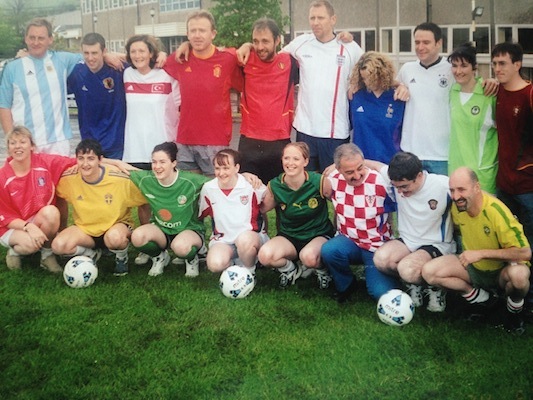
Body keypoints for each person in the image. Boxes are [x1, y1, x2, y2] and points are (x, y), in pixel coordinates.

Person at [423, 167, 531, 334]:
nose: (456, 196)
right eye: (452, 190)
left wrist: (481, 253)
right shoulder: (457, 208)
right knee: (430, 272)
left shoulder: (496, 211)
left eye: (461, 189)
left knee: (520, 276)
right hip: (473, 269)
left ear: (477, 187)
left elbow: (525, 252)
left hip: (501, 272)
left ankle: (514, 314)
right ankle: (485, 301)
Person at [367, 152, 456, 312]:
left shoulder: (443, 185)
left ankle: (436, 287)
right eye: (396, 187)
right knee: (381, 259)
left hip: (436, 244)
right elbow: (374, 164)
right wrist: (334, 165)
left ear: (419, 176)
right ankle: (414, 284)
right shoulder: (395, 178)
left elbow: (471, 193)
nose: (400, 192)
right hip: (408, 240)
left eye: (404, 186)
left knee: (407, 270)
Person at [163, 10, 243, 176]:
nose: (197, 35)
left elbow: (250, 61)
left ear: (213, 33)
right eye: (193, 31)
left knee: (213, 195)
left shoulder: (228, 59)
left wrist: (248, 46)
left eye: (202, 30)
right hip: (185, 141)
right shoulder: (179, 59)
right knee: (188, 194)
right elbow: (147, 61)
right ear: (187, 34)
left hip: (215, 142)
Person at [51, 139, 147, 276]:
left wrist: (145, 232)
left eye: (90, 159)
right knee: (58, 245)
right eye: (81, 159)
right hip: (85, 231)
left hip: (115, 227)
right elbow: (57, 195)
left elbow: (145, 196)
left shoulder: (119, 178)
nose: (85, 164)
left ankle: (121, 258)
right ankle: (92, 254)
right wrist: (61, 228)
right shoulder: (69, 178)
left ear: (100, 160)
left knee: (115, 238)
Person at [321, 144, 399, 303]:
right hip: (349, 241)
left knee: (381, 295)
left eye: (360, 168)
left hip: (376, 246)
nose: (357, 176)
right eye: (349, 172)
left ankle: (387, 276)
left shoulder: (381, 181)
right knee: (329, 250)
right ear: (338, 169)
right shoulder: (332, 180)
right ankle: (346, 285)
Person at [491, 42, 533, 316]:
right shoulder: (496, 93)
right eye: (494, 64)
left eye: (503, 63)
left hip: (528, 185)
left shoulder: (529, 93)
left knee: (529, 244)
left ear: (517, 64)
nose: (497, 69)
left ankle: (527, 301)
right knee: (506, 243)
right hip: (503, 184)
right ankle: (505, 294)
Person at [258, 142, 335, 289]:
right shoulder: (275, 185)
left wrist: (338, 229)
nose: (290, 163)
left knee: (309, 257)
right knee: (265, 256)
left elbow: (341, 204)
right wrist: (246, 178)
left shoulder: (319, 181)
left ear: (305, 161)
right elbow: (259, 209)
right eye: (286, 158)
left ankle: (323, 271)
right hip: (289, 236)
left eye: (296, 159)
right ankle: (291, 270)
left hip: (317, 234)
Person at [0, 126, 76, 272]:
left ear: (32, 146)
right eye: (13, 143)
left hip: (36, 219)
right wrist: (28, 227)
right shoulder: (3, 177)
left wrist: (115, 163)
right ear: (8, 149)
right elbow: (6, 217)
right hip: (10, 226)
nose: (18, 147)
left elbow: (78, 161)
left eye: (22, 142)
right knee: (30, 245)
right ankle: (15, 251)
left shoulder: (44, 163)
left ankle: (47, 256)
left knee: (51, 212)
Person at [128, 142, 208, 277]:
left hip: (189, 230)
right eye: (154, 162)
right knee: (137, 236)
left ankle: (192, 258)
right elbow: (122, 167)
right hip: (162, 231)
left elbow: (220, 181)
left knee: (181, 247)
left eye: (162, 162)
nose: (157, 167)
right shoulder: (147, 178)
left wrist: (245, 176)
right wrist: (101, 160)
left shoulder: (191, 181)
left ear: (174, 163)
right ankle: (160, 257)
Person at [238, 18, 299, 184]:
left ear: (277, 40)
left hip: (279, 142)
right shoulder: (244, 60)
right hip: (249, 141)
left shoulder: (290, 62)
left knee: (280, 197)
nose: (259, 47)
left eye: (265, 41)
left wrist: (339, 38)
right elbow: (214, 52)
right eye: (255, 41)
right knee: (249, 198)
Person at [199, 149, 268, 275]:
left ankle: (249, 272)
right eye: (217, 168)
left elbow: (267, 205)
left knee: (244, 241)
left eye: (226, 168)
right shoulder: (209, 188)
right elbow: (202, 214)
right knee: (215, 265)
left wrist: (264, 231)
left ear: (237, 168)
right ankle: (235, 264)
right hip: (224, 240)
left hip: (249, 238)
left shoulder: (251, 185)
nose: (221, 173)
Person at [122, 34, 180, 170]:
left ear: (151, 53)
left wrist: (164, 55)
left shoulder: (167, 74)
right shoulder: (127, 73)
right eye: (133, 52)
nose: (137, 56)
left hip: (161, 150)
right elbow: (106, 56)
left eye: (142, 51)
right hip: (134, 152)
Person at [447, 43, 498, 193]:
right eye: (454, 66)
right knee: (459, 215)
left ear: (474, 67)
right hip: (456, 171)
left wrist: (495, 81)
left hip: (481, 174)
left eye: (464, 66)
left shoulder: (489, 94)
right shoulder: (452, 92)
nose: (458, 71)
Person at [67, 33, 126, 159]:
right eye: (86, 53)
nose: (90, 58)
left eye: (94, 53)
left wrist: (161, 55)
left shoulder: (117, 68)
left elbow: (143, 60)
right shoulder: (77, 72)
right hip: (89, 146)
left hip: (115, 144)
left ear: (104, 51)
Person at [349, 51, 405, 164]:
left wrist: (401, 85)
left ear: (382, 74)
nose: (367, 82)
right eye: (364, 79)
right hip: (362, 165)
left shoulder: (398, 98)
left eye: (371, 78)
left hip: (391, 163)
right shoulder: (356, 96)